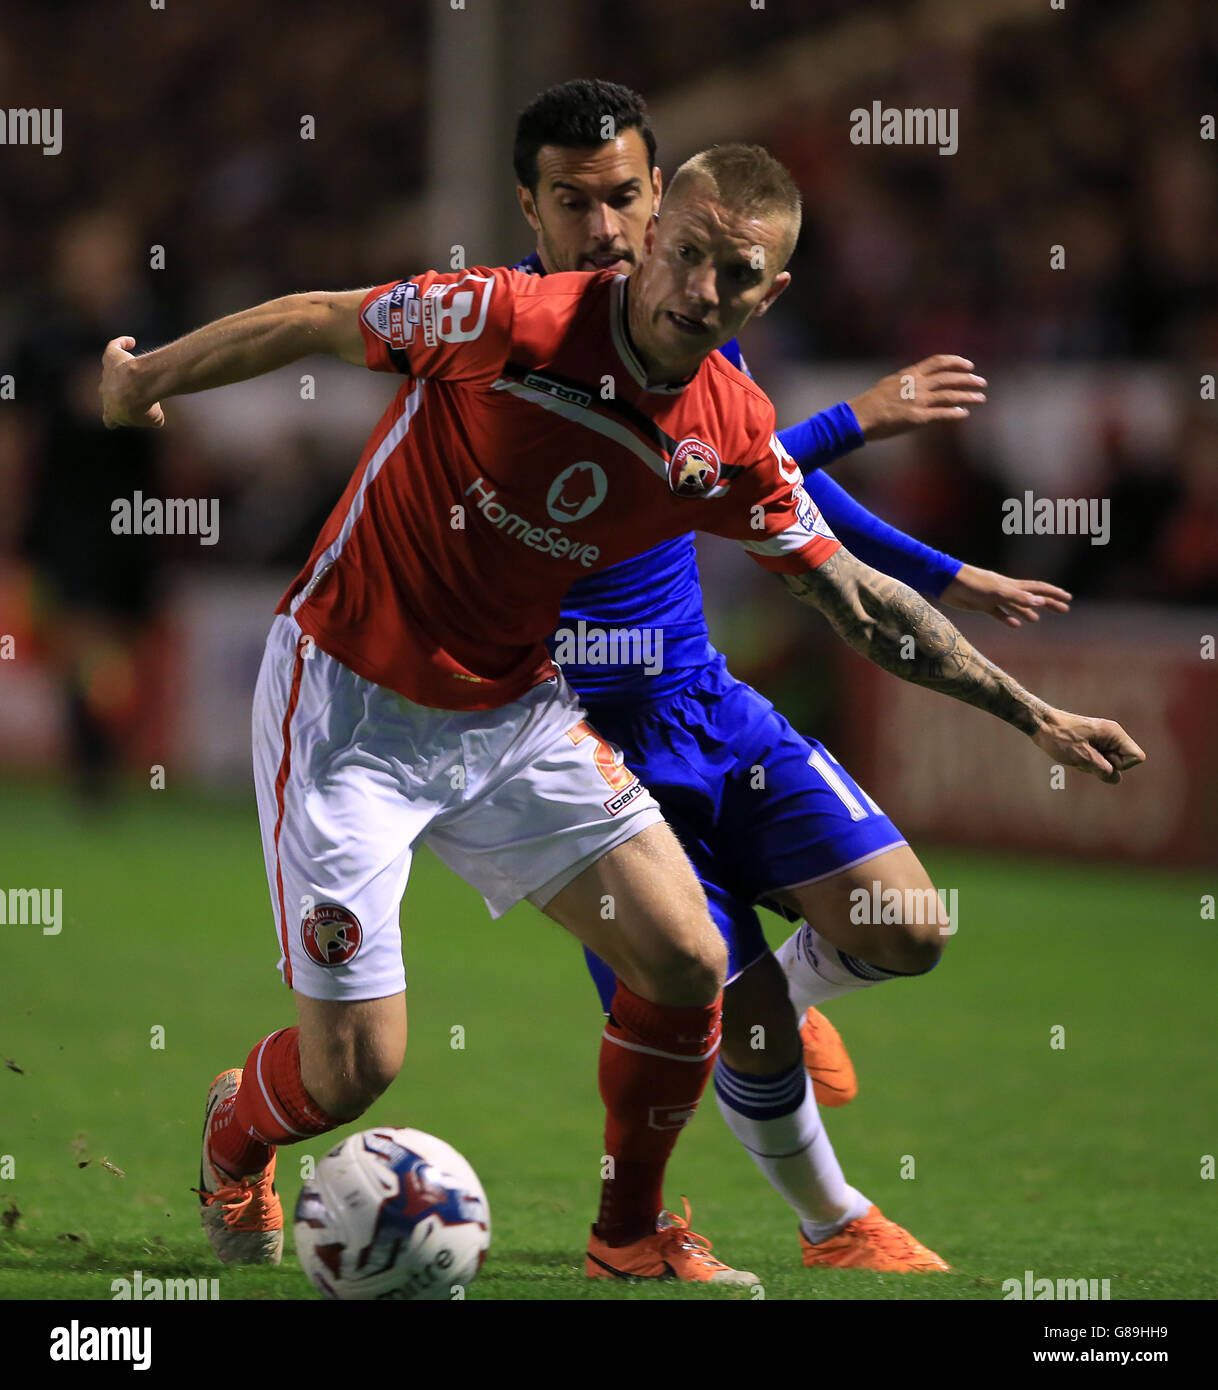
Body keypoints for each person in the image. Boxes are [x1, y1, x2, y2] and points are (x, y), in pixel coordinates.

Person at [100, 140, 1143, 1289]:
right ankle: (235, 1131)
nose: (703, 291)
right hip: (350, 708)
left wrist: (1030, 710)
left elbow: (850, 594)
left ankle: (629, 1233)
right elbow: (314, 317)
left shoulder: (732, 421)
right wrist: (147, 378)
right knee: (355, 1071)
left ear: (769, 292)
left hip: (510, 713)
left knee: (691, 957)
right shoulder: (506, 317)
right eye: (687, 256)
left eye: (734, 276)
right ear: (649, 238)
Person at [511, 80, 1073, 1274]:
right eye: (576, 202)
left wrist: (942, 568)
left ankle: (791, 998)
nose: (605, 229)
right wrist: (855, 419)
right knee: (730, 1006)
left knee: (911, 925)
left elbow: (758, 476)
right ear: (533, 209)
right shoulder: (513, 339)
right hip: (575, 750)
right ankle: (833, 1221)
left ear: (658, 207)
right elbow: (679, 466)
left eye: (622, 200)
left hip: (705, 706)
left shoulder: (684, 318)